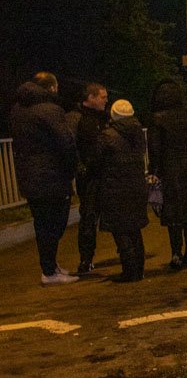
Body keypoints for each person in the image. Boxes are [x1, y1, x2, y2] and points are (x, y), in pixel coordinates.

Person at [9, 72, 78, 285]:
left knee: (42, 223)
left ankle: (50, 266)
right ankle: (49, 270)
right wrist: (72, 169)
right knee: (55, 224)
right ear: (52, 88)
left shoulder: (17, 110)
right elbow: (65, 142)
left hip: (29, 176)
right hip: (52, 176)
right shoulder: (51, 110)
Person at [147, 79, 187, 269]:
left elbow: (154, 149)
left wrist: (154, 171)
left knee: (173, 213)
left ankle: (176, 253)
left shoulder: (157, 119)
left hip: (170, 170)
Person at [94, 100, 149, 282]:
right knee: (134, 229)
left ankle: (130, 270)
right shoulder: (138, 132)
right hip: (136, 185)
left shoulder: (107, 135)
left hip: (114, 187)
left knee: (120, 229)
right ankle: (139, 268)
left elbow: (97, 161)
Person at [65, 82, 109, 274]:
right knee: (89, 217)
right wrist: (81, 167)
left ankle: (127, 252)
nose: (106, 100)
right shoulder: (76, 119)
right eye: (102, 97)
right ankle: (86, 259)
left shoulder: (104, 118)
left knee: (115, 214)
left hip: (106, 174)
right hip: (90, 177)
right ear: (90, 98)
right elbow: (69, 146)